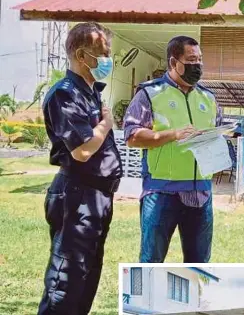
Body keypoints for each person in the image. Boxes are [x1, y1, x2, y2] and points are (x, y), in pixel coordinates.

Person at [38, 22, 122, 314]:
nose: (107, 60)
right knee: (65, 285)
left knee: (85, 282)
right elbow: (83, 150)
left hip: (97, 199)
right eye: (102, 53)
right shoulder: (65, 93)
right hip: (77, 197)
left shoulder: (90, 92)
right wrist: (106, 124)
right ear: (80, 55)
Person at [123, 36, 222, 263]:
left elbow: (214, 135)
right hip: (161, 193)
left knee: (199, 265)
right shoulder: (150, 94)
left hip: (201, 195)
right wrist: (173, 135)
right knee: (151, 262)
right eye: (190, 60)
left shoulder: (208, 98)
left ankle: (196, 299)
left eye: (199, 60)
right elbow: (132, 136)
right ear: (173, 63)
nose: (197, 65)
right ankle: (147, 299)